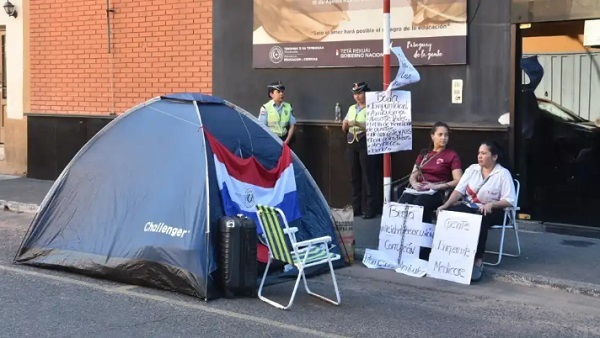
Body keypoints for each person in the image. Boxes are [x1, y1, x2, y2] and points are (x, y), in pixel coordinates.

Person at [437, 141, 516, 282]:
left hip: (496, 210)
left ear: (495, 157)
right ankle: (449, 255)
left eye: (484, 153)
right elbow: (459, 190)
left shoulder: (503, 173)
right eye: (479, 153)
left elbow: (510, 200)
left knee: (480, 219)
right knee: (450, 214)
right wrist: (446, 205)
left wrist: (492, 204)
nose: (480, 156)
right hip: (472, 206)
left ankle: (477, 260)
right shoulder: (472, 169)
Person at [398, 122, 463, 223]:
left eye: (446, 135)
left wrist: (436, 186)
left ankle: (423, 234)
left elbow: (459, 180)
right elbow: (413, 175)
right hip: (419, 189)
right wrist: (414, 184)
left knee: (419, 203)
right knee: (403, 202)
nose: (443, 138)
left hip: (437, 191)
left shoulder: (451, 155)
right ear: (432, 136)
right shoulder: (424, 153)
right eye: (440, 135)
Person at [342, 81, 381, 219]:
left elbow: (375, 126)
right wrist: (345, 124)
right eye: (355, 94)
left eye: (360, 93)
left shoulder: (372, 108)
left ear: (366, 93)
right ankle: (356, 207)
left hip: (366, 142)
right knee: (354, 177)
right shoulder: (352, 108)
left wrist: (358, 123)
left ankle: (371, 208)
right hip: (352, 143)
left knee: (369, 177)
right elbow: (344, 127)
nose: (357, 96)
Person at [258, 81, 297, 145]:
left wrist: (287, 141)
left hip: (285, 139)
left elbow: (293, 125)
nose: (281, 94)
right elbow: (262, 127)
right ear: (271, 94)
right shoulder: (265, 108)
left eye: (282, 92)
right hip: (271, 139)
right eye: (278, 92)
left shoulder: (288, 106)